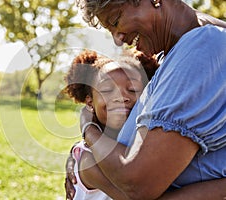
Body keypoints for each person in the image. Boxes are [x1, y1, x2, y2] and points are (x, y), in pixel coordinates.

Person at [65, 0, 226, 199]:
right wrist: (82, 152)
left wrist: (88, 132)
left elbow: (137, 184)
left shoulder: (201, 48)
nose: (117, 39)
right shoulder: (170, 57)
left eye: (115, 21)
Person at [64, 49, 149, 199]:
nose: (121, 97)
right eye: (108, 89)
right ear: (90, 102)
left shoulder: (143, 139)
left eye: (132, 89)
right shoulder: (88, 159)